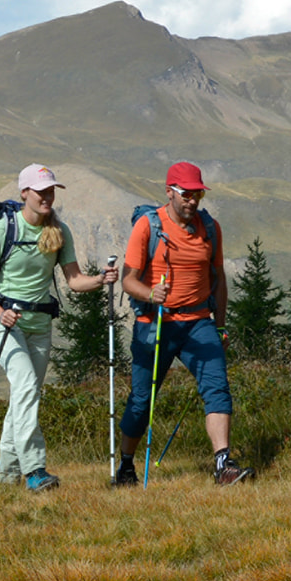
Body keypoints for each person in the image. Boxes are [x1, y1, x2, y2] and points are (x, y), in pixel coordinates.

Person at [0, 165, 116, 492]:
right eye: (41, 192)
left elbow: (74, 280)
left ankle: (6, 478)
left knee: (25, 395)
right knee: (25, 385)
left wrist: (100, 280)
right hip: (4, 324)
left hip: (40, 325)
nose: (47, 197)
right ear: (24, 193)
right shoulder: (3, 229)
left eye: (51, 191)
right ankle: (35, 470)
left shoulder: (59, 231)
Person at [116, 162, 247, 486]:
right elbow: (127, 281)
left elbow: (218, 281)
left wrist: (219, 325)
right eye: (186, 194)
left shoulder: (210, 228)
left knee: (217, 388)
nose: (192, 200)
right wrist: (151, 293)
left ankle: (223, 464)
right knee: (142, 401)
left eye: (197, 194)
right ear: (170, 192)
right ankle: (126, 466)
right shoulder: (147, 227)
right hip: (155, 322)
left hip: (199, 323)